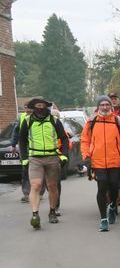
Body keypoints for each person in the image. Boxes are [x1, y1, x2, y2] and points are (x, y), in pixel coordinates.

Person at [81, 96, 120, 232]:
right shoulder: (91, 122)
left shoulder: (118, 121)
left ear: (111, 106)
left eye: (107, 105)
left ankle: (112, 206)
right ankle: (103, 219)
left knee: (114, 187)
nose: (105, 107)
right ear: (98, 107)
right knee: (102, 187)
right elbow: (84, 141)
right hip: (97, 161)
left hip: (115, 161)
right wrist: (86, 157)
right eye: (102, 105)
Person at [18, 97, 68, 229]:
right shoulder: (28, 121)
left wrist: (64, 155)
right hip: (35, 158)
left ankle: (52, 211)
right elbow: (22, 140)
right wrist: (24, 158)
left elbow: (64, 138)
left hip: (52, 157)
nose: (40, 108)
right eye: (38, 106)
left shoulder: (54, 120)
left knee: (52, 186)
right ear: (34, 108)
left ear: (46, 107)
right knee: (36, 185)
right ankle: (35, 215)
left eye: (42, 105)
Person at [11, 104, 43, 203]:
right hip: (25, 148)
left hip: (37, 148)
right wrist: (13, 144)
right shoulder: (21, 118)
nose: (27, 111)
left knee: (39, 171)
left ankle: (39, 192)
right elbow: (16, 132)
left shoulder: (40, 117)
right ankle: (26, 193)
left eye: (29, 109)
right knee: (25, 171)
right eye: (26, 109)